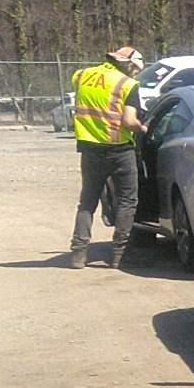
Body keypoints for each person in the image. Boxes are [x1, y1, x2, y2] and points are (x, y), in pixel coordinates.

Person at [68, 45, 144, 267]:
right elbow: (129, 121)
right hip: (119, 149)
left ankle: (78, 253)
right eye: (136, 69)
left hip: (89, 148)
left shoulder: (81, 75)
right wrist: (142, 128)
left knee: (88, 201)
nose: (136, 73)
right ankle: (120, 254)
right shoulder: (128, 85)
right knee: (127, 200)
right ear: (128, 65)